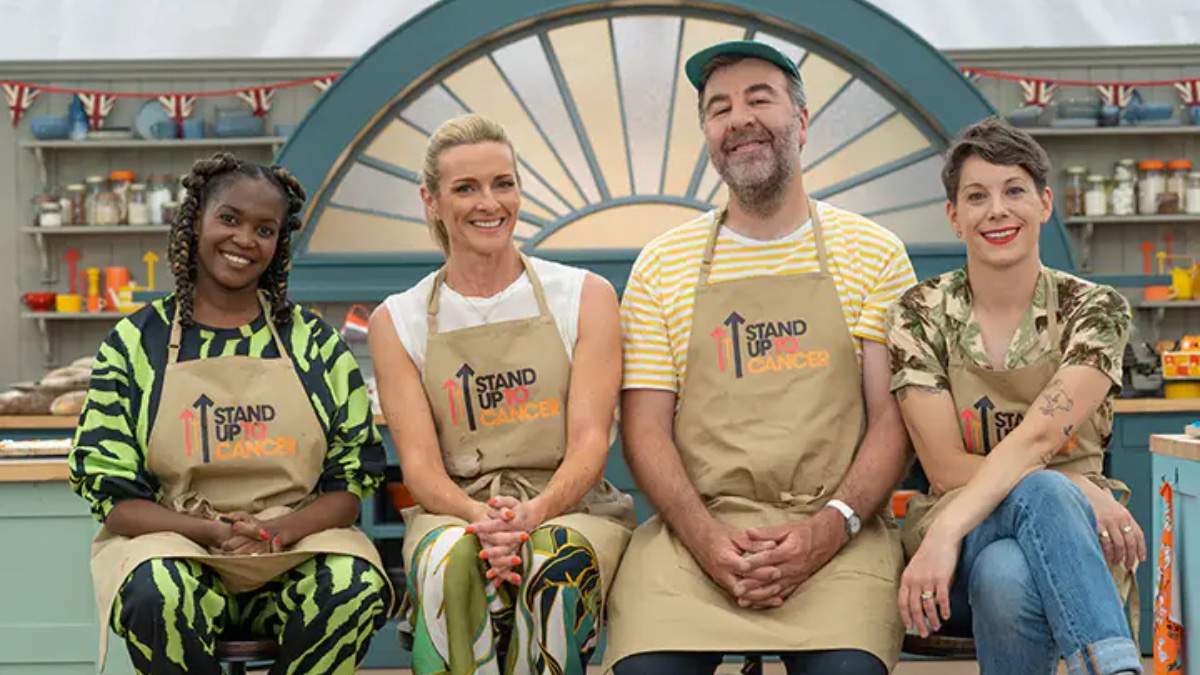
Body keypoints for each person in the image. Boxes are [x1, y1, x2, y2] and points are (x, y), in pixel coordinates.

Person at [605, 41, 916, 674]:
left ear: (801, 122)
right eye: (719, 108)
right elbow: (644, 429)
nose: (739, 118)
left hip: (838, 532)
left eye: (759, 99)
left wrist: (829, 527)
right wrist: (704, 537)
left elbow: (893, 421)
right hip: (697, 532)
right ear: (708, 136)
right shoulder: (662, 265)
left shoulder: (875, 253)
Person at [69, 153, 394, 675]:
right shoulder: (136, 343)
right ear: (194, 219)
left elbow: (346, 491)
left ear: (278, 245)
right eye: (229, 218)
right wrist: (214, 533)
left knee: (351, 587)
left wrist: (277, 531)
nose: (245, 239)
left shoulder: (315, 345)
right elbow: (115, 501)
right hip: (178, 546)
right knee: (157, 594)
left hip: (294, 548)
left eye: (264, 229)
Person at [369, 113, 634, 675]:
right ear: (432, 201)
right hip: (454, 505)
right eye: (465, 188)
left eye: (503, 183)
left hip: (570, 503)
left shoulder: (584, 296)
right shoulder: (398, 320)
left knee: (554, 562)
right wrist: (480, 519)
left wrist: (533, 513)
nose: (489, 203)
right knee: (447, 558)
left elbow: (590, 442)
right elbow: (418, 466)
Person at [888, 117, 1144, 675]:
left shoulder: (1095, 309)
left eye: (1014, 191)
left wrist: (1062, 488)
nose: (997, 210)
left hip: (1077, 530)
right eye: (976, 196)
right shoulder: (920, 313)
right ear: (955, 218)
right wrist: (1073, 482)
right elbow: (946, 466)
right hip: (962, 521)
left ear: (1045, 203)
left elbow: (1043, 435)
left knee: (1007, 574)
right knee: (1046, 490)